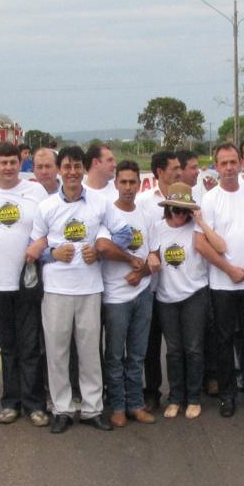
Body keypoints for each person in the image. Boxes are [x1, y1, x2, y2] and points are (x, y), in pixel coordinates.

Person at [25, 145, 131, 434]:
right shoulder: (47, 207)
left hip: (90, 288)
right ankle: (61, 409)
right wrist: (52, 254)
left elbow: (125, 233)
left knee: (89, 351)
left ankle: (92, 409)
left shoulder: (99, 202)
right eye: (67, 167)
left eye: (77, 167)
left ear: (84, 169)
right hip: (57, 289)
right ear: (60, 170)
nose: (72, 172)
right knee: (57, 352)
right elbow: (34, 248)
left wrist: (100, 250)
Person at [196, 142, 244, 417]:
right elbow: (202, 245)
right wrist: (228, 269)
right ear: (215, 166)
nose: (228, 168)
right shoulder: (210, 199)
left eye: (232, 162)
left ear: (239, 163)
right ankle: (228, 395)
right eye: (222, 163)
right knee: (224, 341)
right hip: (223, 285)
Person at [0, 142, 49, 426]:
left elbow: (49, 229)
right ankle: (11, 402)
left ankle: (35, 404)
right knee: (8, 347)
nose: (8, 167)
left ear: (20, 164)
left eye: (12, 162)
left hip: (28, 282)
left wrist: (38, 245)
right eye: (2, 162)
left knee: (30, 345)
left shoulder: (36, 192)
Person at [147, 183, 223, 419]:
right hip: (166, 297)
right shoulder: (157, 228)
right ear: (168, 208)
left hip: (194, 295)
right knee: (174, 350)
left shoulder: (196, 230)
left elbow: (220, 247)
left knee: (193, 349)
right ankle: (175, 397)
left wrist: (200, 221)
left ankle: (193, 397)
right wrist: (151, 256)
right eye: (175, 209)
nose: (179, 215)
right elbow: (151, 252)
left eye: (184, 210)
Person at [96, 161, 155, 427]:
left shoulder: (145, 214)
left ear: (139, 184)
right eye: (124, 182)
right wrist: (131, 260)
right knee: (115, 355)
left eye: (133, 182)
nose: (129, 187)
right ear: (116, 183)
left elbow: (154, 254)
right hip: (116, 298)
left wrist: (142, 272)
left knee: (137, 355)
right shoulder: (108, 215)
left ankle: (136, 405)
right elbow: (104, 248)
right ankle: (117, 406)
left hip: (143, 295)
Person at [135, 150, 181, 411]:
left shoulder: (185, 199)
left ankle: (179, 391)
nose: (179, 171)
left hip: (177, 285)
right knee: (150, 344)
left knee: (177, 345)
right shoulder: (143, 202)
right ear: (160, 172)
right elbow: (140, 238)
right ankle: (151, 392)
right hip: (150, 286)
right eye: (174, 168)